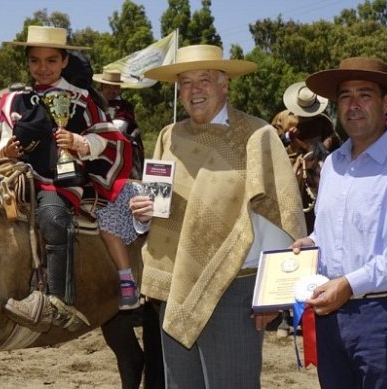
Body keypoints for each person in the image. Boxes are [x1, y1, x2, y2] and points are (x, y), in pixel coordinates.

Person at [129, 44, 306, 388]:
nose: (194, 90)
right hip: (174, 288)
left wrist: (274, 296)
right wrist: (143, 215)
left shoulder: (257, 137)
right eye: (185, 82)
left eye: (204, 80)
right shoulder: (169, 135)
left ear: (225, 84)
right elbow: (158, 208)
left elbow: (282, 217)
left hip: (234, 291)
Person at [291, 56, 387, 389]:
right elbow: (331, 231)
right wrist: (311, 243)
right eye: (345, 95)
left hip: (383, 317)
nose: (353, 104)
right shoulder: (333, 166)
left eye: (365, 94)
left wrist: (349, 284)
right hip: (330, 315)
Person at [0, 26, 133, 329]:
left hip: (56, 180)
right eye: (35, 61)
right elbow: (2, 145)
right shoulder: (14, 100)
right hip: (14, 177)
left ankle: (59, 302)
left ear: (64, 63)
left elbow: (106, 138)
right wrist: (5, 151)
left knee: (54, 218)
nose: (42, 68)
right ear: (28, 62)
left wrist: (79, 143)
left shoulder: (82, 100)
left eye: (51, 61)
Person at [93, 69, 145, 179]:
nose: (112, 91)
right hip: (96, 146)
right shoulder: (94, 103)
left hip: (123, 148)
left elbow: (119, 127)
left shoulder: (125, 106)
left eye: (115, 87)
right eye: (108, 87)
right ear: (102, 87)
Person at [281, 81, 340, 156]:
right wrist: (288, 136)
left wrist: (324, 146)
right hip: (289, 163)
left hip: (317, 164)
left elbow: (334, 142)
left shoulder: (323, 120)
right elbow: (273, 141)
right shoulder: (284, 117)